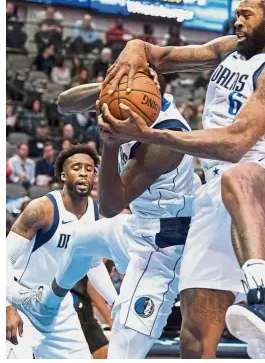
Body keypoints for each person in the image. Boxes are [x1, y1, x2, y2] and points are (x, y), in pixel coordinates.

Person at [96, 0, 265, 358]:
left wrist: (149, 134)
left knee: (237, 174)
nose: (238, 20)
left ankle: (261, 299)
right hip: (213, 195)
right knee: (194, 338)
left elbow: (236, 143)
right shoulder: (228, 49)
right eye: (237, 14)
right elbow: (158, 55)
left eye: (247, 14)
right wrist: (134, 48)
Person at [13, 77, 200, 359]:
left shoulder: (165, 142)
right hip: (139, 225)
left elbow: (111, 205)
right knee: (81, 240)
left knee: (121, 351)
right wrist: (109, 89)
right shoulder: (129, 97)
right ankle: (47, 306)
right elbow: (65, 103)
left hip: (165, 247)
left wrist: (110, 143)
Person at [6, 145, 117, 358]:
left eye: (89, 168)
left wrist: (115, 301)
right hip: (22, 300)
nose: (84, 172)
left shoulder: (95, 214)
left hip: (59, 307)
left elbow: (93, 265)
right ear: (64, 175)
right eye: (77, 167)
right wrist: (7, 307)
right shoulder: (42, 209)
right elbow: (5, 257)